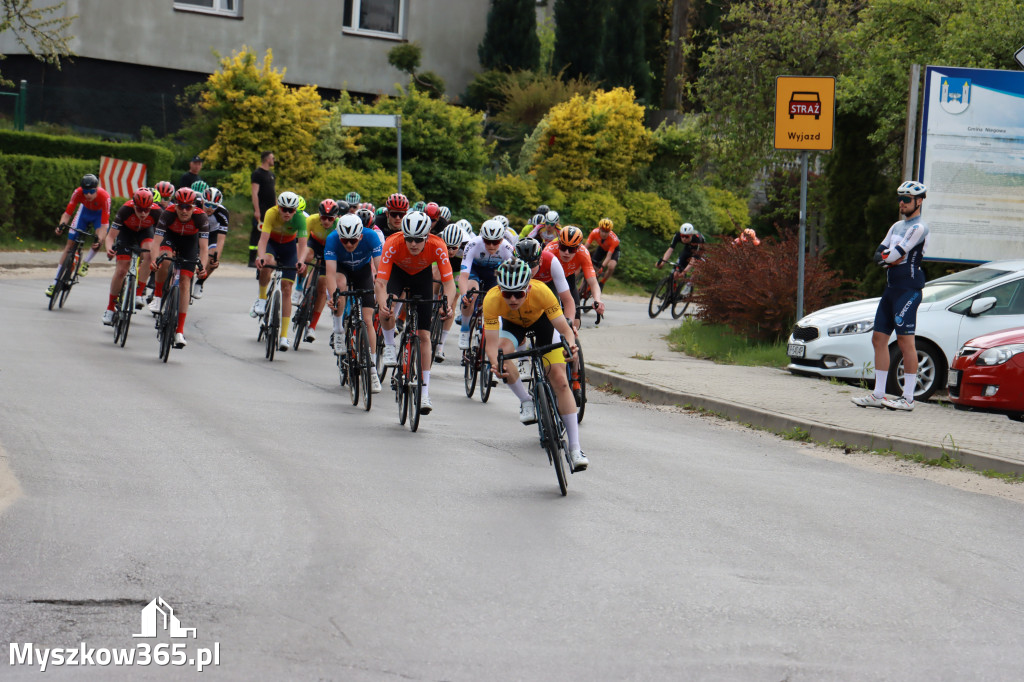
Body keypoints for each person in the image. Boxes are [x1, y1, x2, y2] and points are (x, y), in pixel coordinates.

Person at [483, 258, 588, 472]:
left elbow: (565, 329)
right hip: (512, 326)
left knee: (559, 379)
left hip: (543, 325)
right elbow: (491, 344)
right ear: (500, 290)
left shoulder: (542, 292)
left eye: (519, 294)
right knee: (503, 357)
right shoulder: (492, 299)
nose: (512, 299)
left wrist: (570, 346)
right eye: (507, 294)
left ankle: (575, 448)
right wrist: (495, 364)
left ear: (528, 288)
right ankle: (526, 400)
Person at [852, 181, 930, 411]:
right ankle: (878, 394)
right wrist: (888, 257)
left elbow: (895, 254)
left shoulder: (919, 228)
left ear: (919, 201)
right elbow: (880, 254)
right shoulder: (896, 226)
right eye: (900, 199)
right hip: (891, 289)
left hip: (909, 290)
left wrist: (888, 257)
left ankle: (908, 398)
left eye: (906, 199)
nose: (902, 203)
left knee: (906, 342)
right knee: (878, 339)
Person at [374, 211, 456, 414]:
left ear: (427, 236)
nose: (413, 244)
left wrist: (447, 303)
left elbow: (449, 283)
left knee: (425, 335)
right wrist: (383, 302)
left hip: (422, 277)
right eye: (409, 238)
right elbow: (381, 282)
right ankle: (390, 347)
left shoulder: (437, 245)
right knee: (387, 310)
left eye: (418, 239)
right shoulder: (393, 243)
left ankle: (425, 392)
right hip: (398, 274)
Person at [324, 212, 384, 393]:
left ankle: (372, 371)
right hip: (342, 269)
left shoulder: (372, 237)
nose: (349, 244)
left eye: (353, 241)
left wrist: (382, 295)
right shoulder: (332, 239)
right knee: (340, 286)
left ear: (360, 236)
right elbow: (330, 273)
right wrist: (333, 296)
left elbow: (381, 272)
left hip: (362, 271)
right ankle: (339, 331)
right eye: (345, 241)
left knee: (368, 320)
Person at [148, 187, 209, 349]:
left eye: (188, 207)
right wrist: (154, 260)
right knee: (165, 259)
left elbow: (204, 249)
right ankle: (158, 296)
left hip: (190, 242)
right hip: (170, 237)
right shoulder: (167, 213)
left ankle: (179, 331)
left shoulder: (201, 217)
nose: (183, 210)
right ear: (175, 205)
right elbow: (155, 242)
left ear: (194, 206)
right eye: (180, 206)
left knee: (185, 281)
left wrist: (202, 266)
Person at [253, 191, 308, 351]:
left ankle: (283, 336)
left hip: (289, 249)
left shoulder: (300, 218)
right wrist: (260, 257)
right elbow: (263, 240)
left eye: (291, 210)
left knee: (286, 288)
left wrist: (301, 261)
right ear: (279, 207)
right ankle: (262, 299)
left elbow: (303, 245)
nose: (287, 213)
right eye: (284, 209)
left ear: (295, 210)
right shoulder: (271, 213)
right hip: (272, 244)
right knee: (267, 262)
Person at [101, 188, 161, 324]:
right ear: (134, 205)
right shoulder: (125, 210)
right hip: (126, 233)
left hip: (145, 232)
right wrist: (109, 248)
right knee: (122, 269)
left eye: (147, 209)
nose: (144, 213)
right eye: (140, 209)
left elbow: (162, 236)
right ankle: (110, 308)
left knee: (150, 254)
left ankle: (139, 292)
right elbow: (110, 236)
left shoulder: (157, 212)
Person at [46, 174, 111, 298]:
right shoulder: (77, 193)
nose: (88, 195)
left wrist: (99, 239)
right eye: (86, 192)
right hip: (84, 213)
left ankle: (86, 262)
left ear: (97, 189)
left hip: (99, 216)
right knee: (69, 246)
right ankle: (54, 282)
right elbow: (67, 213)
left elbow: (104, 224)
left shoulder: (105, 197)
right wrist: (61, 226)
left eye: (92, 191)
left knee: (99, 240)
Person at [457, 219, 515, 352]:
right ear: (481, 238)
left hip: (493, 273)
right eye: (487, 241)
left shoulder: (506, 248)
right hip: (475, 270)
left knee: (497, 299)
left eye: (496, 242)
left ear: (501, 240)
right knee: (472, 293)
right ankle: (465, 329)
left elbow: (515, 272)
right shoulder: (473, 244)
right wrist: (464, 294)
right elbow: (464, 276)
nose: (491, 245)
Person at [543, 225, 605, 328]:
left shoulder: (583, 253)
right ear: (558, 243)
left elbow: (593, 282)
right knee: (549, 319)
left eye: (572, 249)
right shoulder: (549, 250)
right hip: (550, 280)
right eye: (563, 247)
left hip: (568, 279)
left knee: (575, 324)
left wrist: (597, 299)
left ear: (578, 247)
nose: (566, 252)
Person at [194, 187, 229, 300]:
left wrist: (216, 258)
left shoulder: (223, 213)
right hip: (195, 231)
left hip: (211, 234)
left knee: (213, 259)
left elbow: (221, 239)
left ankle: (200, 282)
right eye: (208, 204)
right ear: (202, 201)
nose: (210, 208)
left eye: (214, 206)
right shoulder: (195, 204)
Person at [657, 222, 706, 294]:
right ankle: (672, 291)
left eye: (687, 237)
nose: (684, 238)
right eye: (682, 236)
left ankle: (689, 285)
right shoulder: (677, 235)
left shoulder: (697, 239)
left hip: (699, 250)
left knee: (697, 264)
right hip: (688, 249)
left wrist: (684, 272)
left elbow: (693, 259)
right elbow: (670, 249)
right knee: (676, 270)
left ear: (691, 235)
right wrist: (663, 262)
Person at [250, 151, 276, 267]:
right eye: (272, 158)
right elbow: (254, 193)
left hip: (271, 210)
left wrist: (277, 208)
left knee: (269, 233)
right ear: (266, 159)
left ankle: (266, 257)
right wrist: (257, 210)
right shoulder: (257, 174)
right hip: (261, 208)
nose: (273, 160)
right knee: (256, 233)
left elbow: (273, 193)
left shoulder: (271, 175)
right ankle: (252, 259)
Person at [586, 217, 621, 285]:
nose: (604, 234)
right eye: (602, 231)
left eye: (607, 231)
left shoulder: (614, 239)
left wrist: (602, 267)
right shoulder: (594, 232)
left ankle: (602, 282)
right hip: (602, 248)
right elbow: (585, 247)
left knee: (611, 266)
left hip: (614, 251)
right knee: (593, 267)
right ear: (599, 229)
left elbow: (608, 256)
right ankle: (581, 288)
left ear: (610, 231)